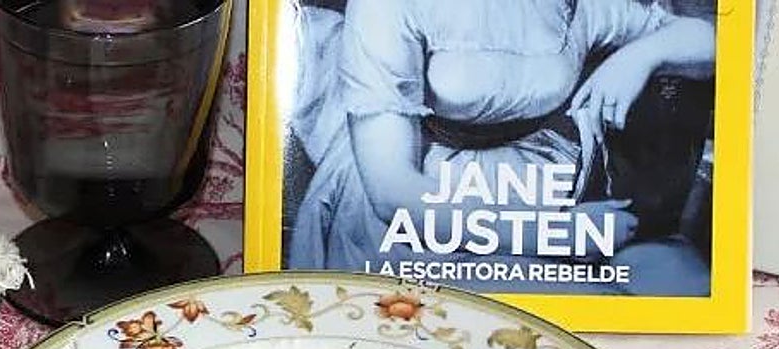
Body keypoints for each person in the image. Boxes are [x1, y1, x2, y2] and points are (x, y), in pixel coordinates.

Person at [287, 0, 717, 295]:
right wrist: (559, 235)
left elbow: (712, 40)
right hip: (419, 212)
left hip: (535, 180)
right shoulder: (389, 7)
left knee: (677, 286)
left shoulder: (569, 6)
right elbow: (390, 191)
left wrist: (641, 56)